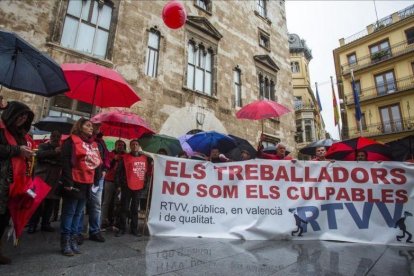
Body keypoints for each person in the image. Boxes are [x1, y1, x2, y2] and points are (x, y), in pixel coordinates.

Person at [60, 118, 102, 256]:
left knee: (79, 213)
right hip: (74, 181)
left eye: (92, 126)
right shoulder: (70, 141)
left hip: (87, 183)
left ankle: (73, 239)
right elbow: (65, 161)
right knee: (69, 212)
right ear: (80, 127)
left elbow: (97, 164)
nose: (91, 128)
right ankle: (65, 241)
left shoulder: (93, 144)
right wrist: (67, 182)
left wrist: (96, 179)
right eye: (88, 125)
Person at [0, 101, 34, 265]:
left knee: (3, 219)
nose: (22, 119)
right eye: (20, 115)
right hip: (2, 180)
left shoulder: (20, 134)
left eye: (25, 117)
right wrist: (17, 150)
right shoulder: (1, 129)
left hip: (13, 183)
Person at [77, 128, 109, 244]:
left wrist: (105, 169)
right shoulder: (81, 141)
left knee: (96, 205)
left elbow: (105, 158)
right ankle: (78, 232)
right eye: (92, 126)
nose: (95, 128)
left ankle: (94, 231)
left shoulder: (101, 143)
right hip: (84, 176)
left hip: (98, 178)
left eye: (98, 126)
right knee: (81, 205)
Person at [28, 130, 62, 234]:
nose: (55, 138)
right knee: (37, 202)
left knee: (50, 202)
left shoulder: (62, 149)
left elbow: (61, 162)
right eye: (54, 135)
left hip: (53, 179)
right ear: (51, 136)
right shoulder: (43, 146)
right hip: (41, 178)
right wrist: (54, 153)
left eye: (58, 136)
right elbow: (39, 155)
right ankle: (32, 224)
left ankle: (45, 224)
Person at [115, 140, 150, 237]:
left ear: (139, 146)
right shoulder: (124, 158)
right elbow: (118, 172)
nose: (135, 146)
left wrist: (145, 184)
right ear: (130, 146)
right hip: (126, 186)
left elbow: (146, 173)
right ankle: (122, 228)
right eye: (133, 144)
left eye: (136, 144)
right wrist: (118, 185)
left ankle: (134, 229)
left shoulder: (144, 158)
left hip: (138, 187)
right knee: (124, 208)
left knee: (134, 209)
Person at [101, 140, 126, 229]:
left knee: (117, 202)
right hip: (109, 180)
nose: (120, 147)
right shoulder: (110, 154)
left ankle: (115, 221)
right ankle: (103, 220)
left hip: (120, 182)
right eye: (119, 145)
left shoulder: (125, 156)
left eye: (122, 145)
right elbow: (106, 165)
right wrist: (113, 160)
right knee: (106, 201)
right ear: (115, 145)